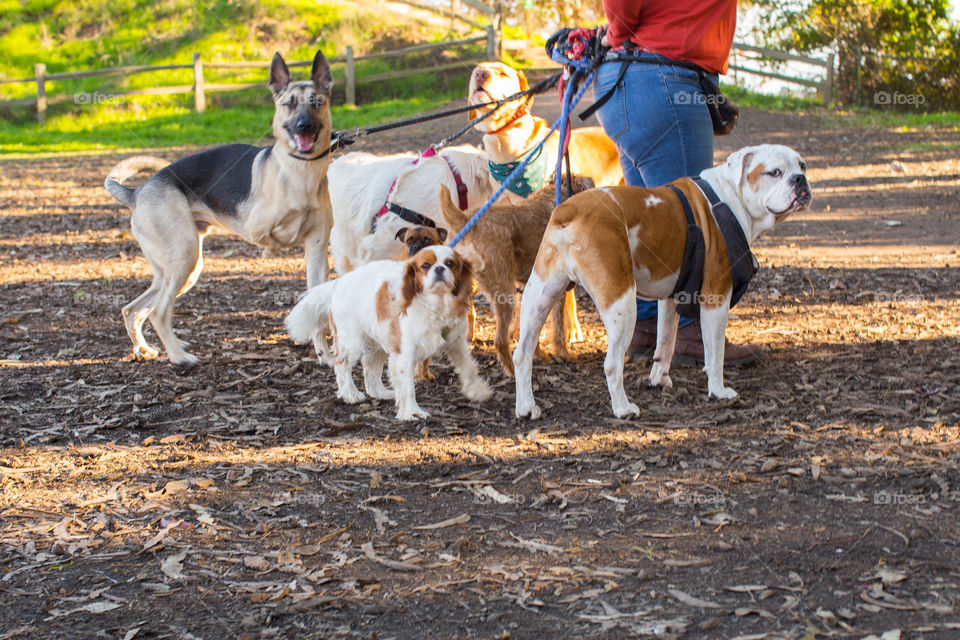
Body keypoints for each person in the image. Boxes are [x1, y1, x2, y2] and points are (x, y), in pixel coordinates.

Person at [591, 0, 762, 365]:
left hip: (636, 79)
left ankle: (645, 325)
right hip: (661, 76)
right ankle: (694, 331)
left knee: (648, 219)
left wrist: (617, 35)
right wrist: (617, 30)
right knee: (696, 220)